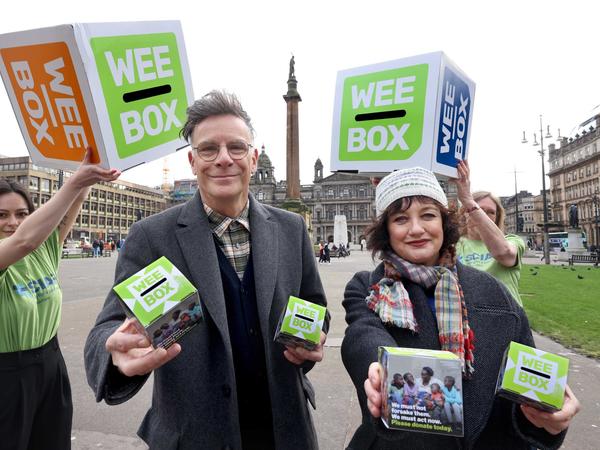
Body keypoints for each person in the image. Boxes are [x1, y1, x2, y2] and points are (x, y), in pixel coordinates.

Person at [84, 90, 329, 450]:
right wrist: (114, 354)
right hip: (194, 433)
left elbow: (313, 304)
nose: (224, 159)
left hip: (284, 429)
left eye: (236, 147)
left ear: (254, 157)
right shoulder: (152, 237)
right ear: (193, 160)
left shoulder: (291, 228)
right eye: (209, 149)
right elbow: (108, 327)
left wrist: (314, 337)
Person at [341, 167, 579, 449]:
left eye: (428, 215)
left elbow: (523, 388)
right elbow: (363, 335)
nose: (416, 229)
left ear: (444, 223)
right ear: (386, 232)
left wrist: (545, 419)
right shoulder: (369, 287)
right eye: (400, 219)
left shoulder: (495, 293)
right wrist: (376, 368)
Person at [0, 148, 119, 450]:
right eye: (1, 215)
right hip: (7, 376)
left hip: (51, 366)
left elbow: (73, 205)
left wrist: (89, 174)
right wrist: (73, 183)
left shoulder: (44, 250)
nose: (12, 222)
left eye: (22, 214)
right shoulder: (18, 249)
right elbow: (23, 240)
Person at [454, 160, 526, 306]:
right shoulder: (454, 245)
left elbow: (504, 254)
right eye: (479, 210)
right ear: (464, 213)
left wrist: (469, 201)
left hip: (506, 318)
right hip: (468, 319)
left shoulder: (512, 240)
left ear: (497, 217)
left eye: (490, 212)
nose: (484, 216)